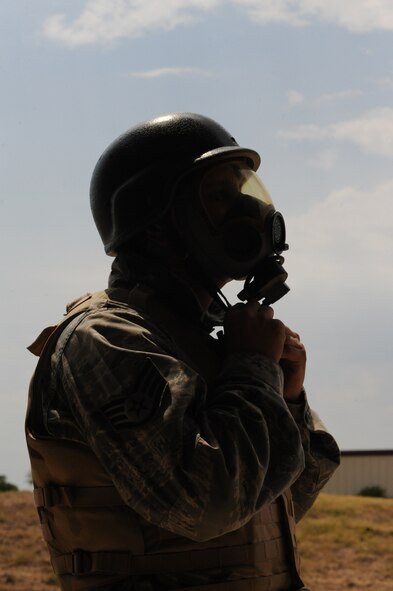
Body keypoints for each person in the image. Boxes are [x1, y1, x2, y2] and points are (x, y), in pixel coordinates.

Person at [26, 113, 340, 591]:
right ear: (156, 218)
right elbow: (205, 503)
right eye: (218, 195)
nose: (245, 210)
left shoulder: (206, 345)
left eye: (243, 190)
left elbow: (273, 502)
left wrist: (287, 399)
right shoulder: (106, 338)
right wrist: (253, 370)